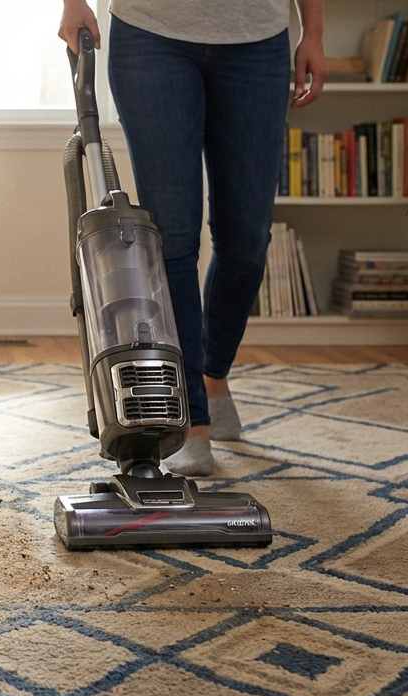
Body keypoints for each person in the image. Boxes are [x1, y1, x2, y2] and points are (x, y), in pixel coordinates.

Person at [58, 0, 326, 476]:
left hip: (258, 39)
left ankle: (214, 374)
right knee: (173, 238)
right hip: (150, 31)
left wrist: (314, 31)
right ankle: (193, 420)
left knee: (247, 242)